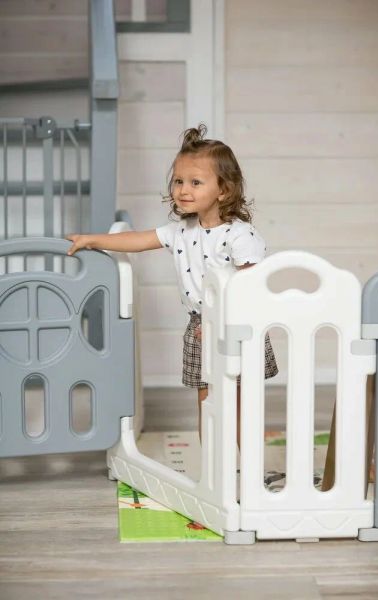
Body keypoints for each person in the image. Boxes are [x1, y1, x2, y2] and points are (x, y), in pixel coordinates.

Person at [66, 124, 278, 441]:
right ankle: (212, 459)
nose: (183, 190)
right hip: (199, 324)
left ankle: (243, 459)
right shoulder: (181, 230)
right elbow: (138, 240)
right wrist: (92, 240)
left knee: (237, 401)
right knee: (207, 399)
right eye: (178, 181)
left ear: (223, 190)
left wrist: (222, 320)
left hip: (237, 323)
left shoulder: (239, 235)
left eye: (195, 182)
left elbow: (251, 285)